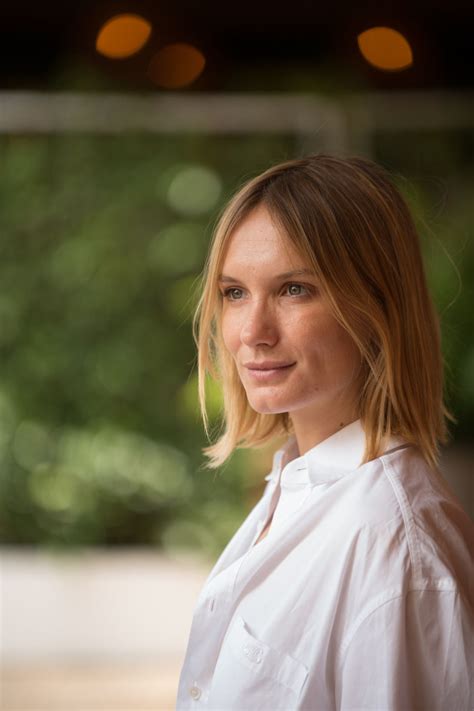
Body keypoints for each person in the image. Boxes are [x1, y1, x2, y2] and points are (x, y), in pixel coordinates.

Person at [175, 153, 474, 710]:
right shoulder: (297, 484)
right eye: (234, 292)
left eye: (294, 289)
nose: (252, 332)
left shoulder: (392, 546)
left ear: (377, 306)